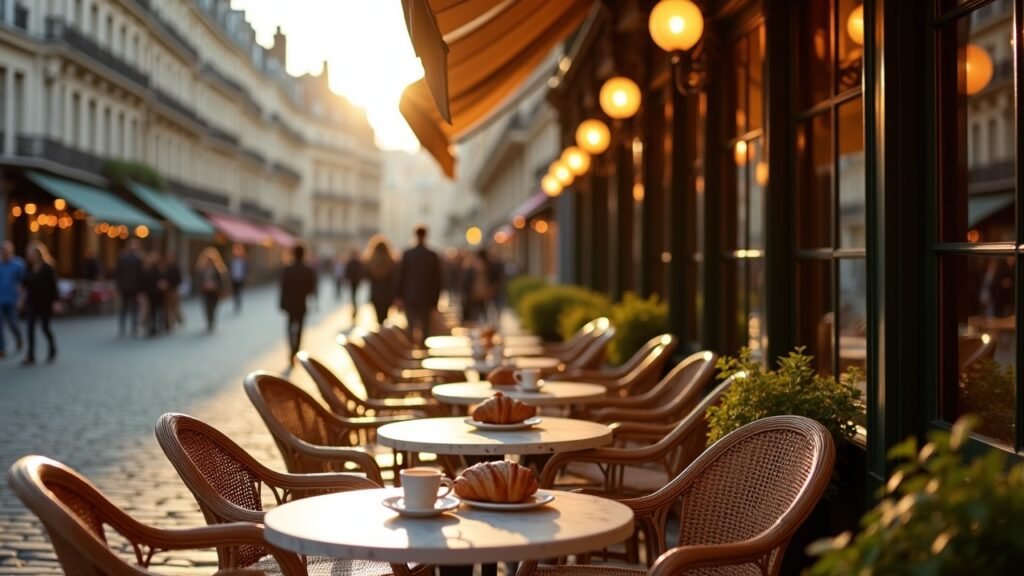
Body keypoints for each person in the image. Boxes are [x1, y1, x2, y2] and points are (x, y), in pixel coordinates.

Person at [395, 225, 442, 345]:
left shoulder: (408, 254)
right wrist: (435, 301)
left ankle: (412, 352)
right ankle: (422, 353)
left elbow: (401, 277)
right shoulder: (432, 255)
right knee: (425, 329)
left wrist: (399, 297)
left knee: (411, 327)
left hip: (410, 297)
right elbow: (437, 281)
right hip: (426, 298)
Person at [21, 242, 58, 365]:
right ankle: (31, 355)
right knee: (30, 327)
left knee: (45, 327)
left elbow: (53, 286)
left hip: (45, 302)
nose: (30, 256)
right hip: (32, 301)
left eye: (32, 253)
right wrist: (21, 299)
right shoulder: (29, 267)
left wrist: (55, 302)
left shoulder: (47, 267)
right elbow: (25, 285)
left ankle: (52, 348)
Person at [279, 244, 316, 366]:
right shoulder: (308, 270)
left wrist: (281, 303)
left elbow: (283, 288)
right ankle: (295, 350)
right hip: (301, 303)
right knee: (300, 327)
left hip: (290, 303)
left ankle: (291, 348)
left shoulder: (288, 269)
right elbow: (311, 289)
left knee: (289, 326)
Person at [363, 235, 396, 325]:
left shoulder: (371, 260)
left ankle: (380, 331)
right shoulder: (391, 260)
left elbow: (366, 276)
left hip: (376, 292)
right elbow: (394, 277)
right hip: (387, 293)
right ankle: (384, 331)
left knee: (378, 317)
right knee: (385, 316)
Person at [0, 241, 25, 358]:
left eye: (6, 251)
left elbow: (22, 283)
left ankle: (18, 337)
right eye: (2, 251)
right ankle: (2, 348)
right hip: (1, 299)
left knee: (12, 323)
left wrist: (20, 299)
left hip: (12, 299)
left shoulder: (18, 264)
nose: (4, 253)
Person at [196, 247, 229, 333]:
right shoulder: (202, 270)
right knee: (207, 308)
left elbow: (222, 282)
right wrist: (203, 286)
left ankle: (212, 322)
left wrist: (220, 290)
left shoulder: (218, 270)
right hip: (206, 292)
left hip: (215, 292)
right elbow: (198, 280)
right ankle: (209, 323)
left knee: (213, 308)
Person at [115, 240, 143, 337]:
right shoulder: (137, 259)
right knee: (133, 308)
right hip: (134, 287)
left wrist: (118, 286)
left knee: (124, 307)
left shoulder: (123, 258)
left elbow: (118, 274)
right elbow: (140, 276)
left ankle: (123, 327)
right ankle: (133, 328)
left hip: (125, 287)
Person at [141, 252, 166, 337]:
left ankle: (159, 326)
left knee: (158, 310)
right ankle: (151, 327)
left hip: (158, 294)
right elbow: (143, 282)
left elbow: (163, 279)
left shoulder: (160, 269)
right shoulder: (146, 270)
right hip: (150, 294)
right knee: (151, 311)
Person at [163, 251, 184, 331]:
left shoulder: (176, 267)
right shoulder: (165, 267)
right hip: (167, 291)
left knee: (175, 307)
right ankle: (169, 324)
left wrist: (170, 284)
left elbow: (179, 279)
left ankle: (178, 319)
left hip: (174, 290)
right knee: (168, 308)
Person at [343, 249, 363, 320]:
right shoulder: (357, 262)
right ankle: (355, 308)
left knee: (353, 296)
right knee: (354, 296)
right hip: (355, 281)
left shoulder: (352, 262)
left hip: (354, 281)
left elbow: (347, 272)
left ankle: (355, 308)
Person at [228, 243, 248, 313]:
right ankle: (236, 303)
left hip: (240, 278)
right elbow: (230, 269)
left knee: (239, 292)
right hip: (234, 278)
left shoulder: (243, 261)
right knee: (234, 292)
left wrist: (245, 276)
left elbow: (246, 269)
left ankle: (238, 303)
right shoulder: (232, 260)